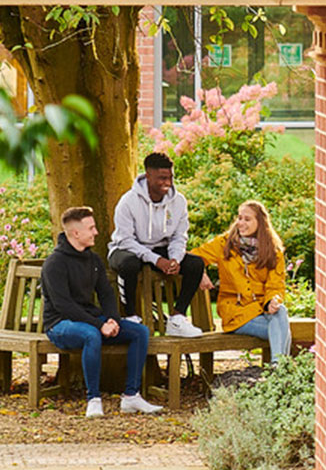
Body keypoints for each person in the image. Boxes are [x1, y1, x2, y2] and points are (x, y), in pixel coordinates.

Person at [42, 206, 162, 418]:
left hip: (90, 321)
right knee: (92, 335)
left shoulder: (94, 260)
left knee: (140, 332)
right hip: (60, 324)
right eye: (91, 228)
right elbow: (64, 306)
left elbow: (106, 294)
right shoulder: (55, 263)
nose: (96, 232)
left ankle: (131, 397)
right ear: (76, 233)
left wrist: (113, 320)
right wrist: (100, 325)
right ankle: (93, 399)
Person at [108, 152, 207, 338]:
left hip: (161, 248)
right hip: (126, 248)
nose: (167, 183)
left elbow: (179, 236)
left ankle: (177, 318)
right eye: (162, 178)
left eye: (170, 177)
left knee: (195, 264)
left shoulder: (178, 202)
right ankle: (130, 317)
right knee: (129, 264)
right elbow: (126, 239)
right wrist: (156, 260)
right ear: (148, 175)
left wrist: (175, 259)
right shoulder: (128, 202)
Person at [191, 199, 292, 362]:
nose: (241, 223)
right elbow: (193, 257)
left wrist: (273, 300)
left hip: (260, 310)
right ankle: (280, 374)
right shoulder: (224, 244)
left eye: (247, 219)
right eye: (239, 218)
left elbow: (276, 285)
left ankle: (278, 370)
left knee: (280, 313)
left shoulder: (273, 251)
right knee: (281, 329)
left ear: (260, 223)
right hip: (235, 313)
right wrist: (201, 272)